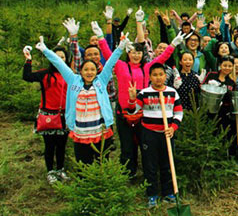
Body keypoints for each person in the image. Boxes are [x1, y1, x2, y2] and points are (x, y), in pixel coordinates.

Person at [95, 18, 185, 178]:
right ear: (128, 53)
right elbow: (108, 54)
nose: (136, 55)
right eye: (133, 52)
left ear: (143, 54)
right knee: (127, 145)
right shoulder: (120, 65)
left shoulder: (147, 67)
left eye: (139, 52)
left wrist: (173, 44)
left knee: (144, 145)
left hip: (143, 112)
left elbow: (162, 58)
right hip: (124, 112)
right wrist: (101, 38)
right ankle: (128, 174)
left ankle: (147, 173)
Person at [35, 32, 128, 164]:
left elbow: (111, 61)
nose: (89, 72)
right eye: (86, 70)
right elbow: (59, 64)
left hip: (100, 130)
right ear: (81, 71)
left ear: (96, 71)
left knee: (102, 161)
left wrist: (120, 48)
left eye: (92, 70)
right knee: (83, 162)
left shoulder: (101, 80)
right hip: (81, 131)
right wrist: (45, 50)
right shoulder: (73, 80)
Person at [127, 63, 183, 208]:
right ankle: (152, 194)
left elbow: (178, 113)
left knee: (167, 162)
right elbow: (133, 112)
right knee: (150, 164)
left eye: (161, 75)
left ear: (165, 76)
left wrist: (173, 128)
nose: (158, 78)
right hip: (149, 133)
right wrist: (132, 99)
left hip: (167, 133)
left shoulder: (172, 92)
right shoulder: (144, 93)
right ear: (150, 77)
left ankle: (169, 192)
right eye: (155, 75)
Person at [22, 44, 70, 184]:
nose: (59, 59)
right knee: (49, 145)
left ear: (67, 59)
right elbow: (27, 76)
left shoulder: (69, 74)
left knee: (62, 145)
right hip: (48, 115)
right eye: (56, 56)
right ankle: (50, 171)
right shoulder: (45, 74)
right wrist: (28, 60)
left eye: (62, 57)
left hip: (64, 116)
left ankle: (60, 169)